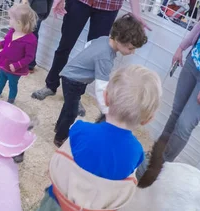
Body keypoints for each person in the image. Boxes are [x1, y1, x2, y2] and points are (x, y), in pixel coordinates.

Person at [22, 65, 161, 211]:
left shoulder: (82, 129)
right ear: (148, 119)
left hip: (60, 196)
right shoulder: (136, 153)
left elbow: (68, 152)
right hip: (89, 209)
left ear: (105, 97)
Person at [136, 0, 200, 179]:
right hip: (194, 60)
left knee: (185, 124)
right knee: (176, 113)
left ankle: (160, 165)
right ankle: (155, 155)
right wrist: (181, 47)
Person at [52, 14, 147, 146]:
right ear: (119, 39)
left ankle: (59, 127)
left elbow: (89, 45)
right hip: (73, 80)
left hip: (73, 77)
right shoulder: (105, 58)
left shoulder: (104, 39)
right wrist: (106, 110)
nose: (132, 52)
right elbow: (101, 87)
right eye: (130, 48)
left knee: (68, 107)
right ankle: (60, 137)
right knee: (71, 112)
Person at [31, 0, 149, 102]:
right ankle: (50, 85)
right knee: (65, 45)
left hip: (108, 6)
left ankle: (76, 96)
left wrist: (136, 13)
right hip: (79, 3)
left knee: (95, 53)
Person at [0, 4, 38, 104]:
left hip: (15, 69)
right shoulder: (11, 31)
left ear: (18, 22)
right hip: (4, 63)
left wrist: (17, 65)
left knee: (12, 85)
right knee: (1, 81)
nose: (8, 20)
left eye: (10, 18)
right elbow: (6, 42)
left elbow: (29, 57)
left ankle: (10, 101)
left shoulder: (31, 40)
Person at [27, 0, 53, 72]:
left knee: (29, 34)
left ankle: (27, 62)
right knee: (31, 34)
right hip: (39, 7)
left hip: (35, 6)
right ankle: (29, 63)